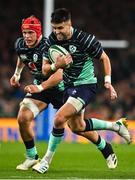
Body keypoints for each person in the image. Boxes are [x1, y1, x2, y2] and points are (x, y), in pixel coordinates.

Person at [10, 15, 118, 171]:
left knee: (77, 127)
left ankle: (104, 146)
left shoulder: (50, 45)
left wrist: (41, 86)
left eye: (30, 33)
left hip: (60, 87)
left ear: (38, 33)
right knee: (23, 117)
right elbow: (22, 56)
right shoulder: (20, 44)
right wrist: (17, 74)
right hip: (41, 88)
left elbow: (60, 73)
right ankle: (32, 157)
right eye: (24, 32)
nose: (26, 36)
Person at [32, 8, 131, 174]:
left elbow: (104, 58)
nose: (57, 32)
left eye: (60, 28)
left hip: (86, 84)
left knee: (59, 119)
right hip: (69, 86)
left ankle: (46, 161)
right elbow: (44, 70)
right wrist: (57, 65)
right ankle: (114, 130)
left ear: (69, 24)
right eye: (54, 28)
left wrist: (108, 81)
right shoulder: (51, 41)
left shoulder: (85, 39)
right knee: (78, 127)